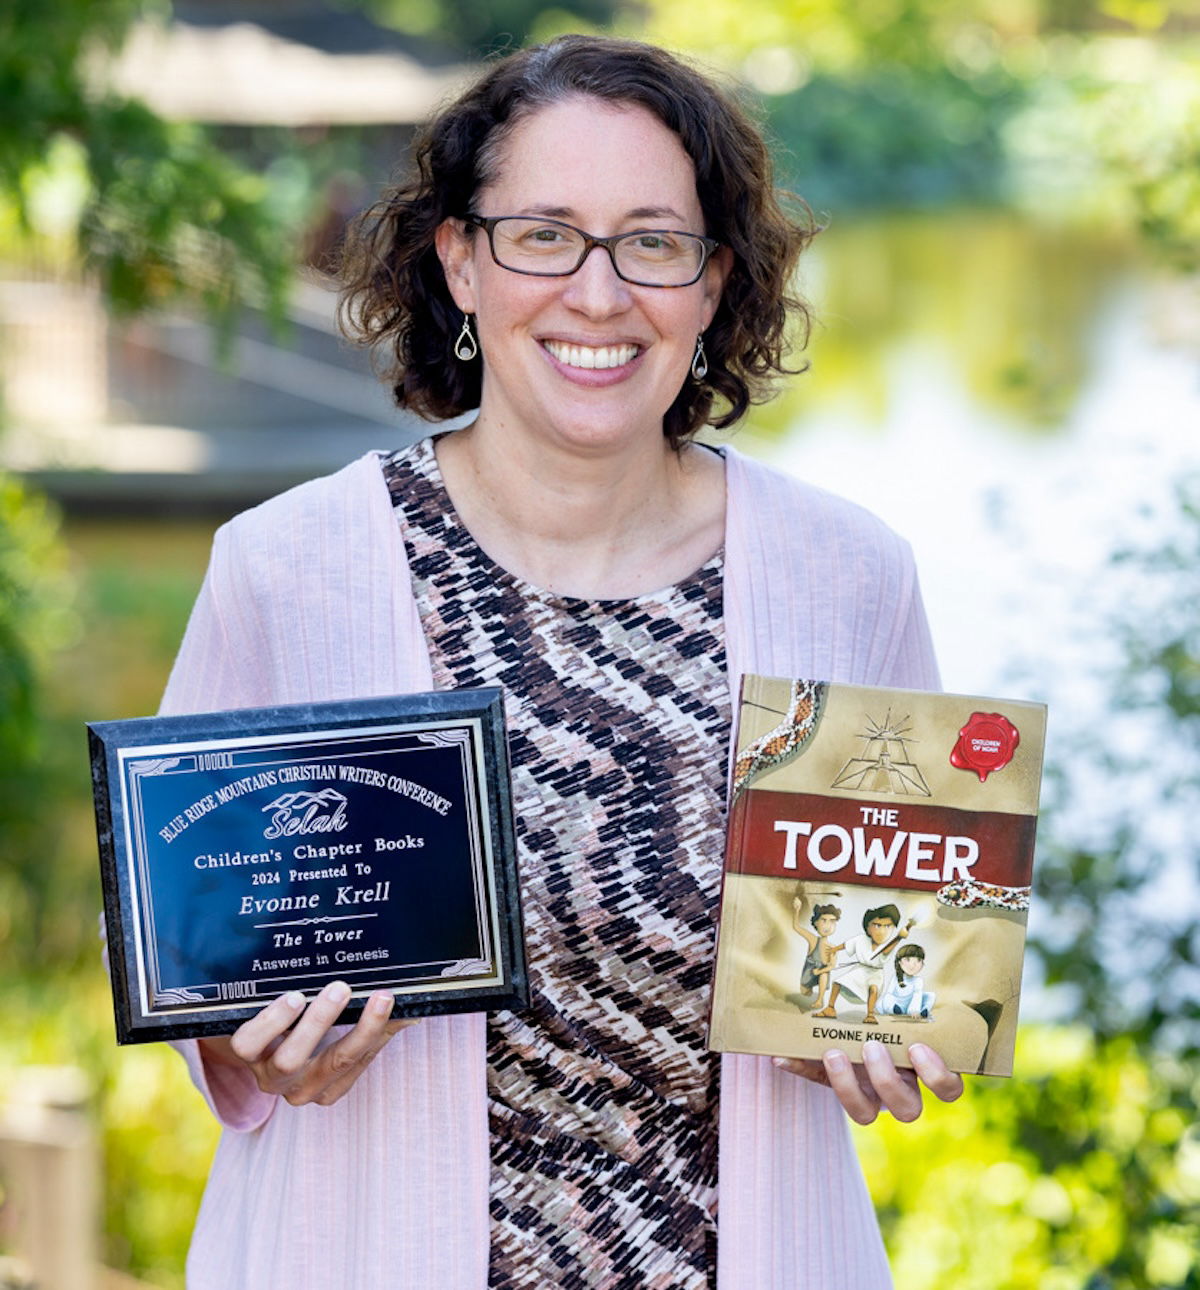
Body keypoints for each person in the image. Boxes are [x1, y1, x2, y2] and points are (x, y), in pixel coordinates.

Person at [159, 34, 962, 1290]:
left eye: (653, 242)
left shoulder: (847, 577)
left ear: (713, 286)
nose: (599, 295)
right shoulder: (289, 569)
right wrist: (247, 1047)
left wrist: (889, 1036)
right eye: (543, 234)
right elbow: (182, 939)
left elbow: (901, 970)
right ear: (461, 262)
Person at [817, 904, 917, 1026]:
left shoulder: (887, 945)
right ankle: (830, 1008)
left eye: (888, 926)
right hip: (860, 970)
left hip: (875, 973)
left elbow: (886, 950)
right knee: (837, 983)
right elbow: (847, 944)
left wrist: (899, 938)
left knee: (873, 989)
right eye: (877, 925)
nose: (882, 930)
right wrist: (834, 949)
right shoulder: (861, 939)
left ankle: (870, 1014)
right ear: (868, 927)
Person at [791, 890, 844, 1011]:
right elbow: (796, 927)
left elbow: (831, 966)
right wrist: (797, 909)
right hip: (808, 973)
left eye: (832, 921)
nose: (828, 925)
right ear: (816, 923)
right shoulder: (813, 940)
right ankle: (808, 989)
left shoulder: (833, 948)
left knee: (824, 973)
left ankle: (819, 1000)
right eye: (824, 920)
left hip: (820, 973)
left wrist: (819, 972)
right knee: (805, 993)